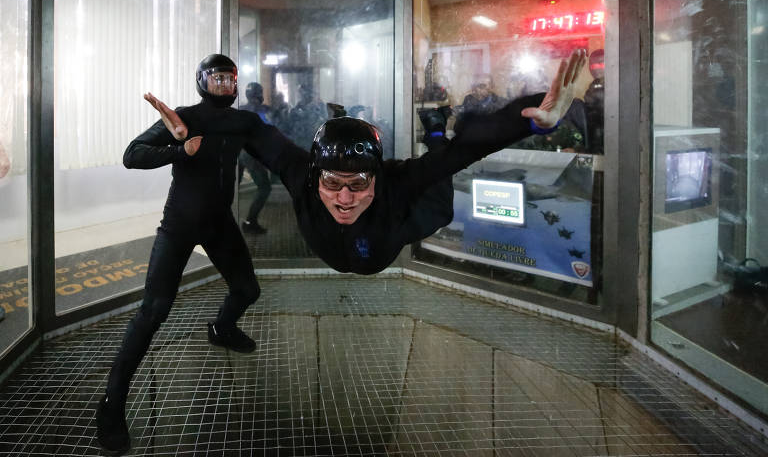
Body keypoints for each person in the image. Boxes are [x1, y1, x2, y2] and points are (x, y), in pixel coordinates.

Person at [147, 49, 587, 275]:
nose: (343, 198)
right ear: (315, 175)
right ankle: (431, 127)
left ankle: (432, 126)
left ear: (378, 178)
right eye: (333, 183)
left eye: (357, 184)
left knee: (438, 166)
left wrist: (532, 122)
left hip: (397, 228)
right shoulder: (302, 175)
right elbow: (258, 134)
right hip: (351, 239)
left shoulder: (396, 183)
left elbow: (465, 150)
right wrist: (200, 120)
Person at [95, 54, 262, 455]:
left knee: (247, 289)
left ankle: (221, 328)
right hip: (180, 224)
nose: (224, 85)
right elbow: (132, 154)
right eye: (216, 78)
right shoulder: (183, 117)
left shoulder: (240, 122)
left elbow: (270, 149)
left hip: (219, 222)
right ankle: (110, 404)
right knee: (154, 310)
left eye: (230, 79)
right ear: (202, 81)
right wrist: (179, 149)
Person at [238, 82, 272, 234]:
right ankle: (250, 221)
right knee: (264, 188)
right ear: (259, 94)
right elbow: (268, 129)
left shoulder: (241, 110)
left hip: (238, 153)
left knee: (231, 190)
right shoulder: (262, 110)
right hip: (251, 155)